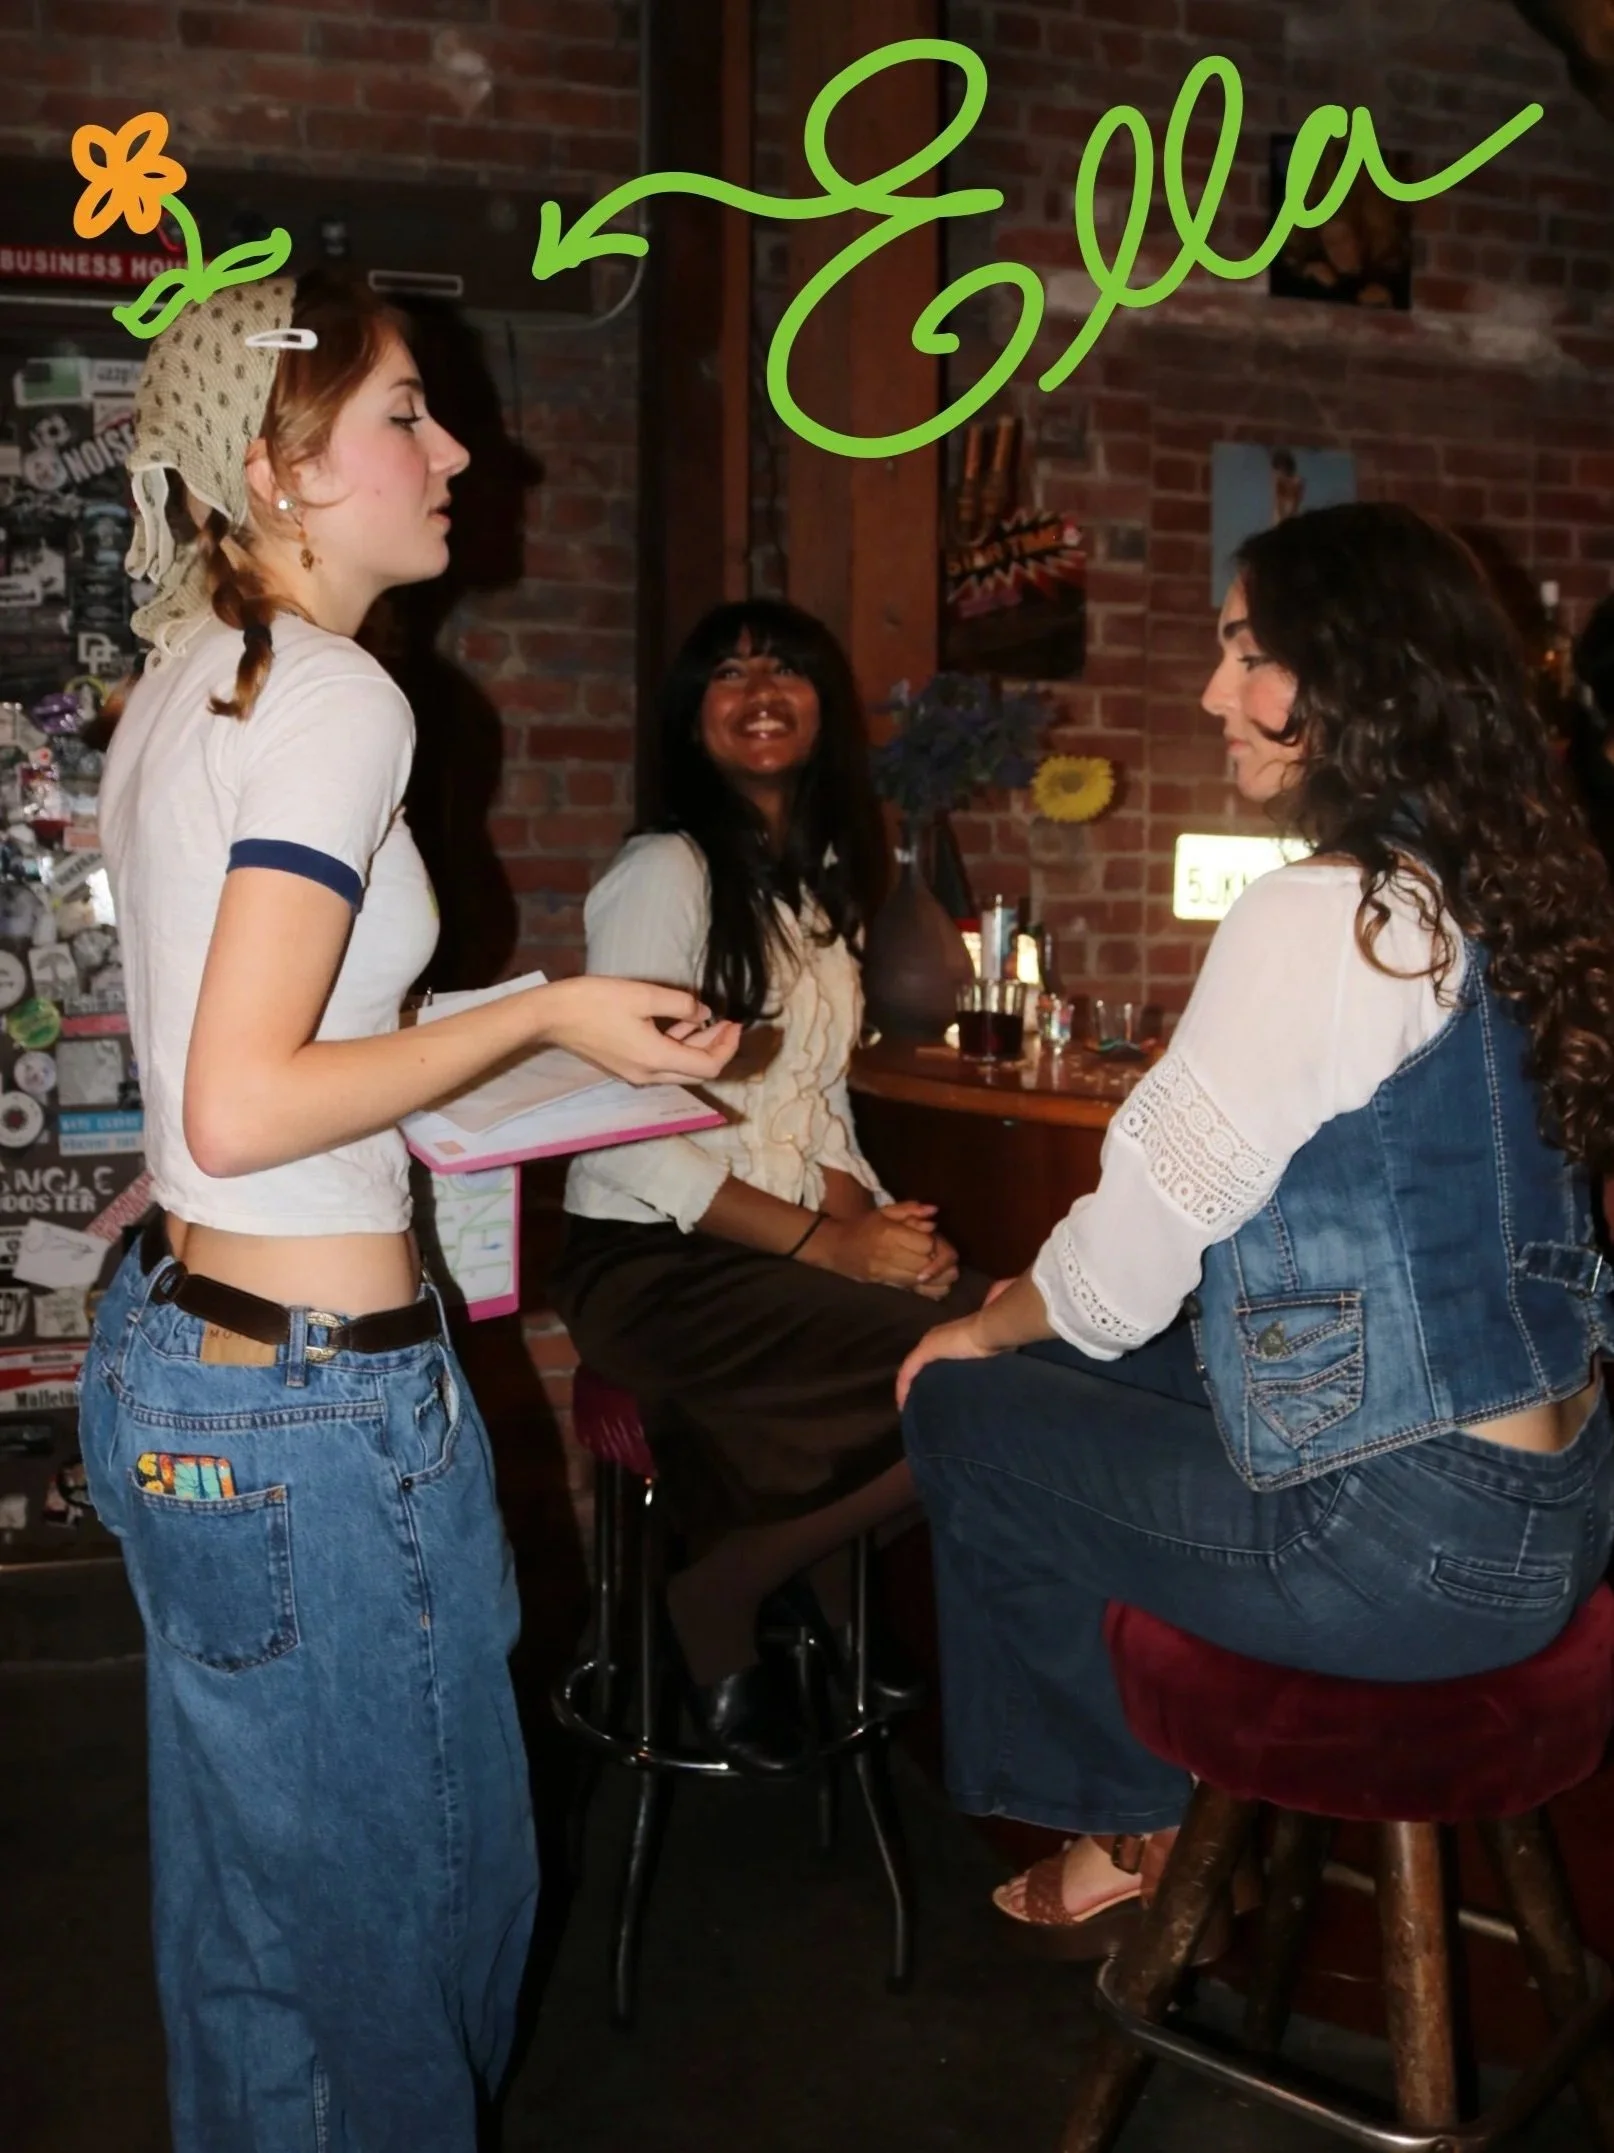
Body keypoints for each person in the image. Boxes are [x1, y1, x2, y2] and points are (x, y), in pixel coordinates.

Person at [77, 273, 738, 2153]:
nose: (458, 452)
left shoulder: (186, 684)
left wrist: (493, 1030)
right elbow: (247, 1089)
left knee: (249, 1935)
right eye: (404, 415)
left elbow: (257, 1043)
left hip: (186, 1359)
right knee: (410, 1931)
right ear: (281, 471)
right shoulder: (345, 697)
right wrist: (536, 1010)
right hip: (309, 1409)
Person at [897, 502, 1614, 1952]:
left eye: (1244, 651)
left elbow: (1118, 1273)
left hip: (1402, 1551)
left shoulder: (1323, 914)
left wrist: (977, 1321)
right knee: (1070, 1374)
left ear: (1345, 676)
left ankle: (1122, 1816)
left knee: (966, 1402)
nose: (1216, 692)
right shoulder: (1515, 894)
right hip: (1561, 1514)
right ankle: (1138, 1803)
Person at [548, 597, 987, 1774]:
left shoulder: (816, 884)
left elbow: (818, 1107)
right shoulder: (664, 871)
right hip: (652, 1258)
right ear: (692, 720)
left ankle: (800, 1582)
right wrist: (830, 1250)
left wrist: (881, 1229)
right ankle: (729, 1594)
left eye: (786, 668)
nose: (760, 689)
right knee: (986, 1359)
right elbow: (628, 1136)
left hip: (763, 1242)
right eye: (728, 672)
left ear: (824, 710)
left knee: (992, 1329)